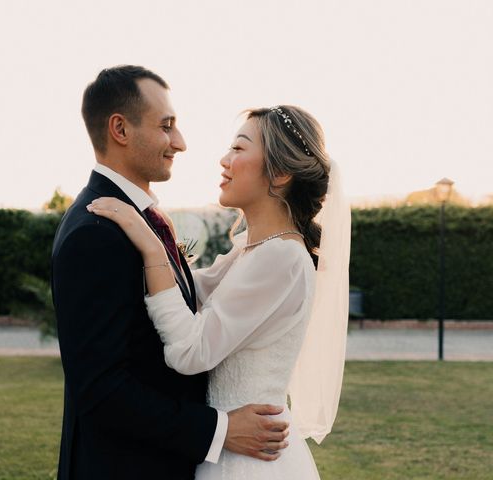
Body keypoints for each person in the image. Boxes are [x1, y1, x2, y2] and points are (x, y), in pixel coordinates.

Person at [50, 65, 292, 480]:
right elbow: (102, 391)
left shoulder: (141, 222)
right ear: (120, 130)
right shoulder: (95, 232)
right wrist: (221, 429)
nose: (179, 143)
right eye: (166, 127)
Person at [89, 104, 351, 478]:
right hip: (229, 450)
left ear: (278, 174)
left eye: (239, 148)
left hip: (248, 462)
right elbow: (186, 293)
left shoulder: (281, 257)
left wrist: (150, 247)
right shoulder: (253, 250)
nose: (224, 160)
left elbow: (190, 351)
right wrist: (160, 236)